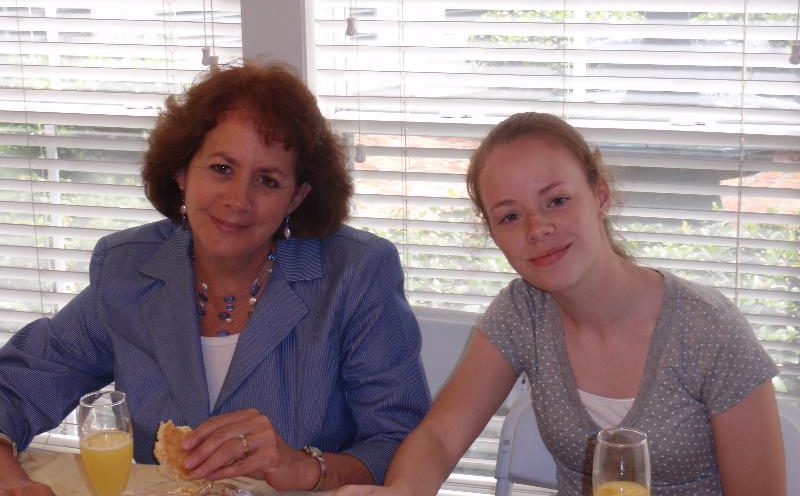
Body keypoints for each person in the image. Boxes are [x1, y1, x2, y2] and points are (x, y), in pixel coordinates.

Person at [0, 61, 431, 494]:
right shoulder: (128, 270)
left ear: (296, 197)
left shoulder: (354, 274)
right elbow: (14, 390)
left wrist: (304, 467)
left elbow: (403, 446)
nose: (238, 200)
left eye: (267, 180)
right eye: (222, 168)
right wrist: (12, 482)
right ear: (182, 172)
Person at [334, 112, 785, 496]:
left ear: (600, 196)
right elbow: (439, 436)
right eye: (510, 216)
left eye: (557, 200)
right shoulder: (522, 313)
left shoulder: (708, 329)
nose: (537, 228)